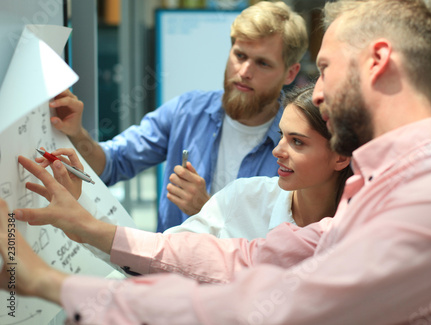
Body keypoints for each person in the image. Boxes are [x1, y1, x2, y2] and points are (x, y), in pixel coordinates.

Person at [2, 0, 431, 324]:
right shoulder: (376, 189)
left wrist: (53, 284)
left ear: (378, 60)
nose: (317, 93)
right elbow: (247, 259)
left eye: (324, 70)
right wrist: (93, 229)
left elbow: (281, 305)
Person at [50, 1, 308, 232]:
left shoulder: (298, 143)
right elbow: (111, 164)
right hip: (170, 280)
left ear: (290, 73)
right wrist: (76, 133)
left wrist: (208, 210)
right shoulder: (187, 111)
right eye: (239, 55)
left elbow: (286, 246)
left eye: (263, 63)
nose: (244, 71)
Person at [164, 84, 352, 239]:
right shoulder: (242, 199)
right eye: (281, 135)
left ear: (341, 157)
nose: (277, 151)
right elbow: (169, 250)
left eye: (297, 141)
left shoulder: (363, 228)